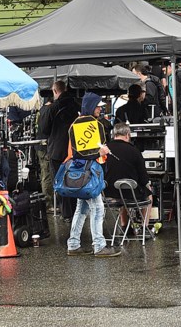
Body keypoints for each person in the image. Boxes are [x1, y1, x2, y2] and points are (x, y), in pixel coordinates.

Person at [66, 92, 121, 257]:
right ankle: (99, 246)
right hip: (89, 173)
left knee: (81, 209)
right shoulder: (88, 124)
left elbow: (78, 153)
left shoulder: (77, 123)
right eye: (98, 106)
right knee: (97, 209)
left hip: (80, 173)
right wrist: (100, 152)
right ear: (91, 106)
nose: (100, 109)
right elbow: (83, 154)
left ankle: (74, 244)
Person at [42, 80, 79, 220]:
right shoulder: (77, 105)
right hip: (75, 150)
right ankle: (77, 211)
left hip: (57, 150)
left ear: (55, 91)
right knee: (75, 180)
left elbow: (44, 130)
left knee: (61, 182)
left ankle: (66, 213)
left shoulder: (52, 108)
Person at [104, 122, 153, 228]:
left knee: (122, 194)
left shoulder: (104, 149)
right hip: (129, 193)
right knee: (148, 195)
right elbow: (143, 178)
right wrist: (147, 185)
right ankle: (145, 228)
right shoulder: (134, 151)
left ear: (114, 135)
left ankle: (124, 225)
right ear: (127, 135)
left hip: (108, 193)